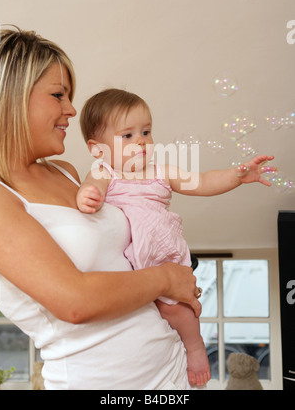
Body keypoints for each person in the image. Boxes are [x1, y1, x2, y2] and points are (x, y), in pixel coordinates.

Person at [0, 27, 202, 390]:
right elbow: (75, 302)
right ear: (11, 98)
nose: (71, 110)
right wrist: (169, 278)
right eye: (58, 95)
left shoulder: (66, 172)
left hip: (170, 367)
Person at [77, 88, 276, 387]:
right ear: (97, 149)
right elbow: (90, 189)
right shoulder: (104, 172)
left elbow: (204, 181)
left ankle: (195, 348)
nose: (141, 141)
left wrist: (237, 176)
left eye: (146, 131)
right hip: (130, 263)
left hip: (164, 253)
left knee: (178, 310)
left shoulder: (161, 172)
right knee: (135, 314)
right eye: (127, 136)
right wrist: (86, 196)